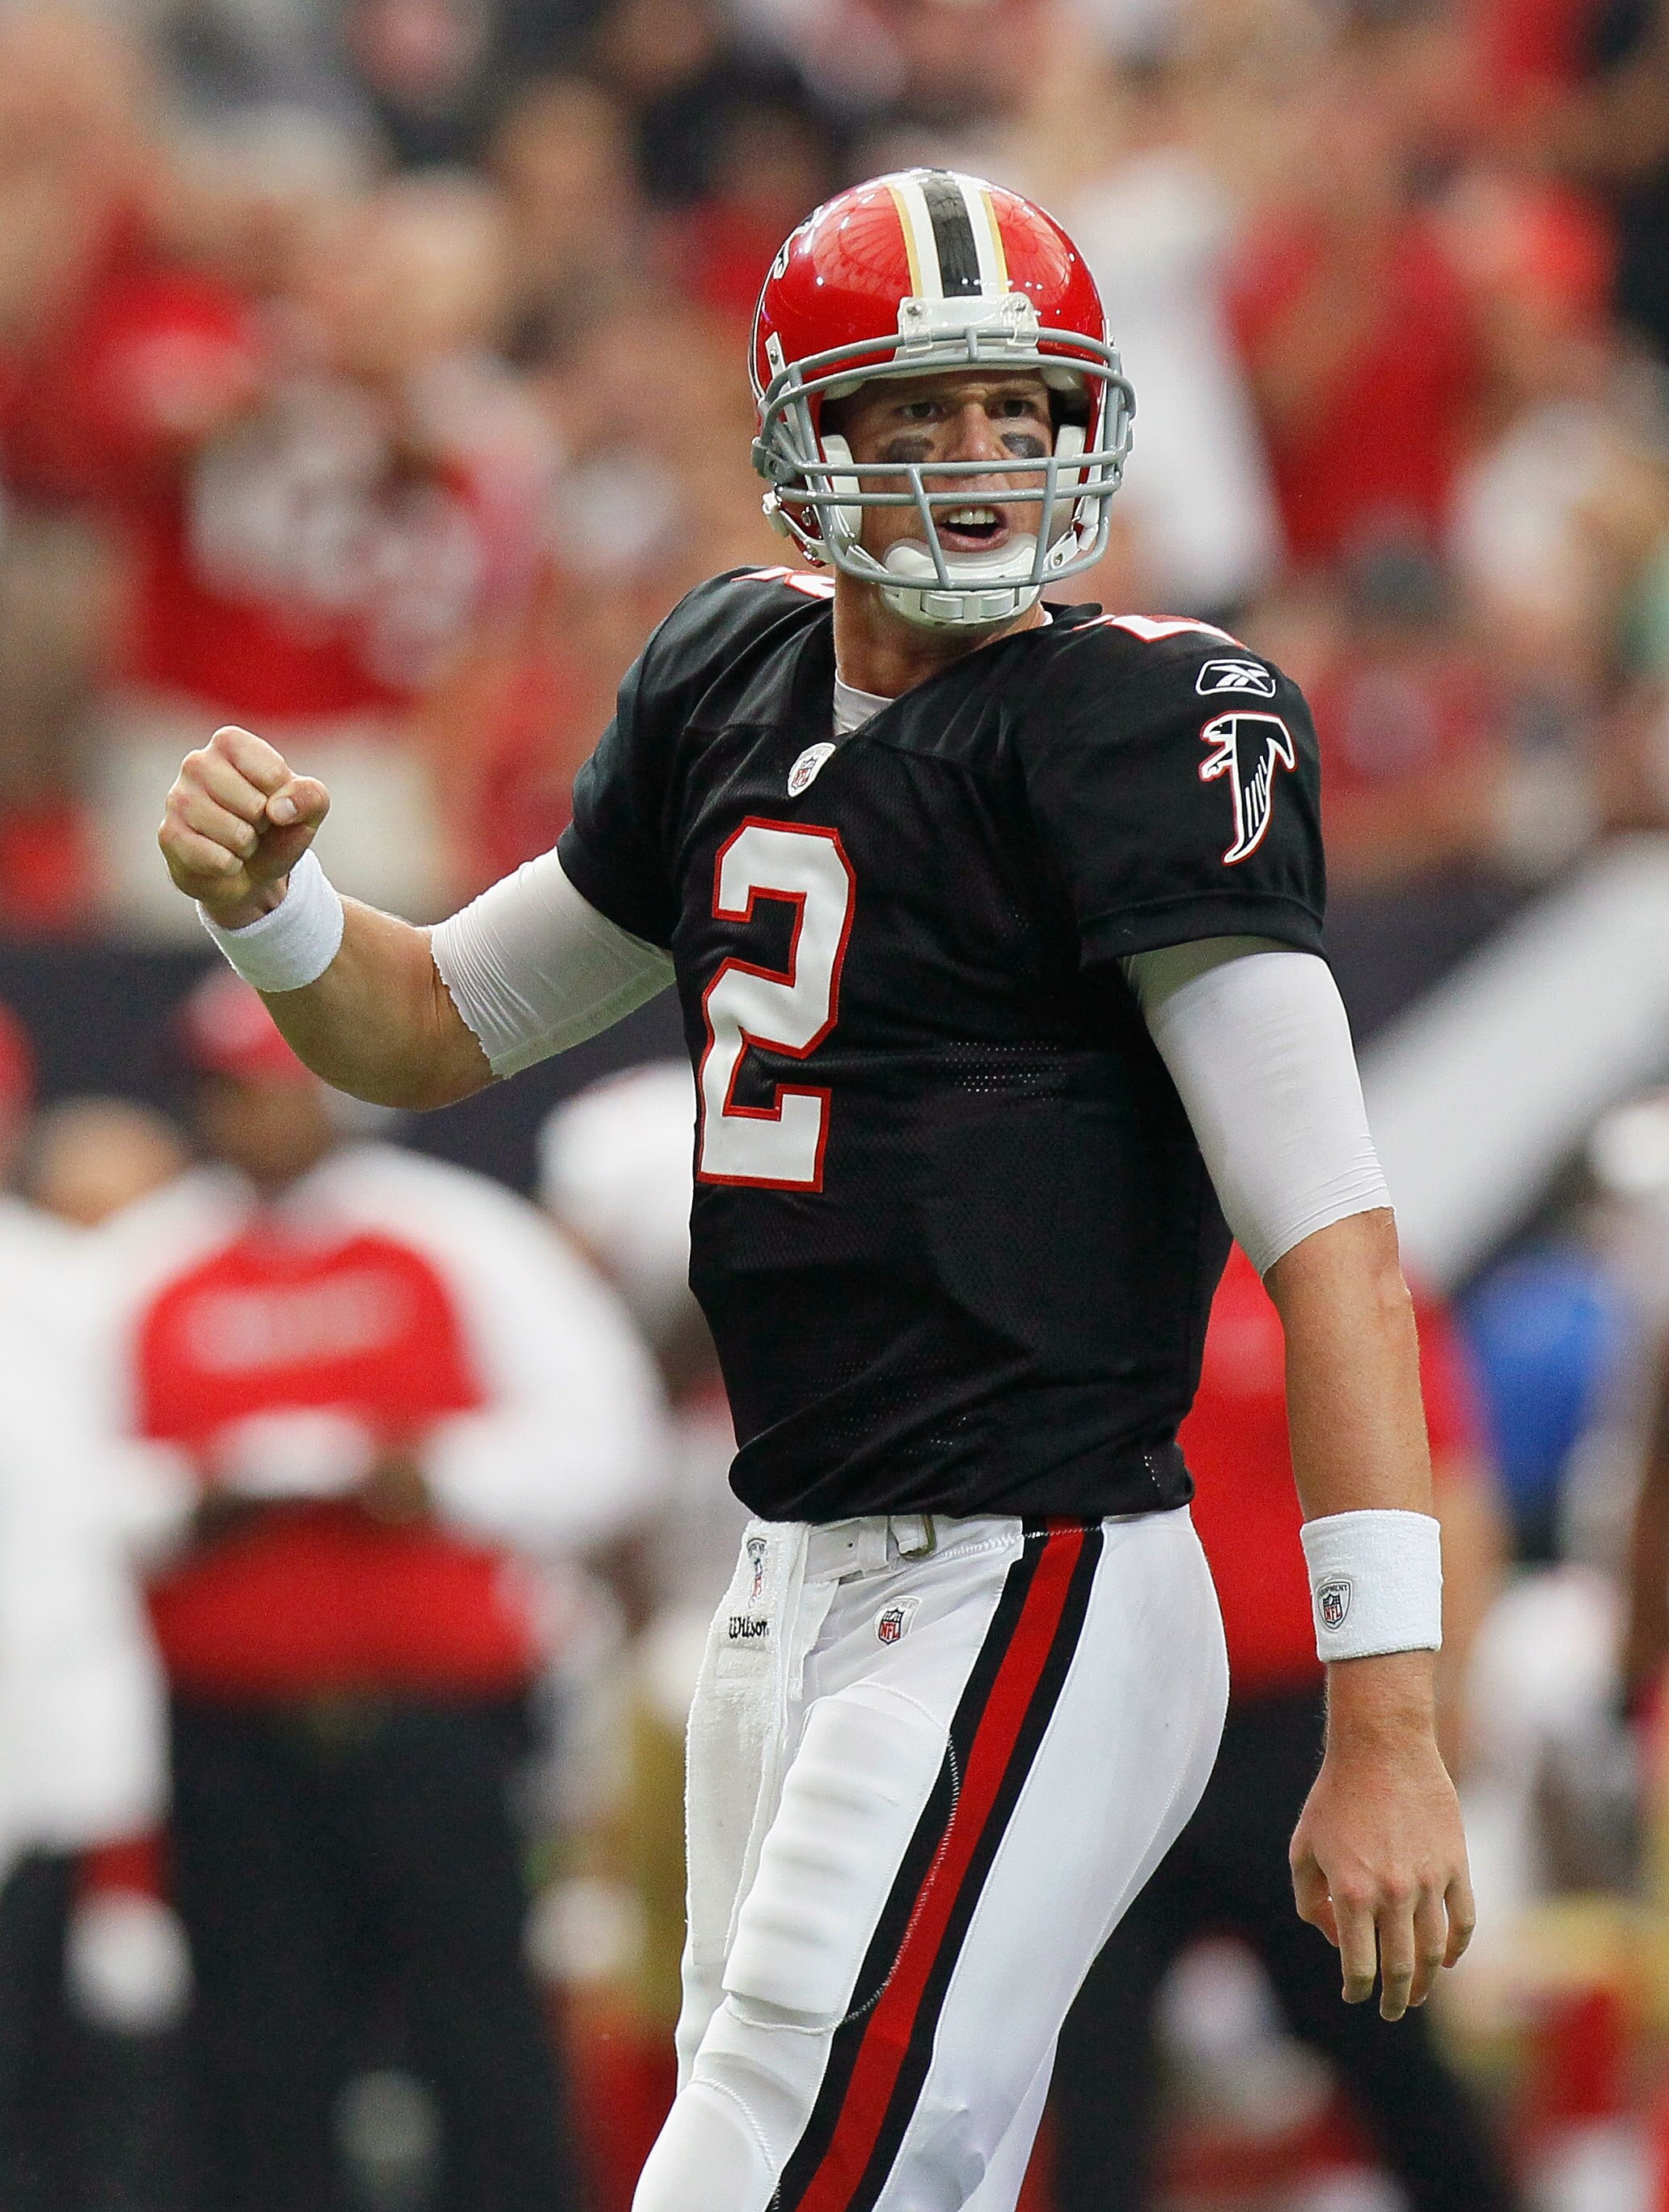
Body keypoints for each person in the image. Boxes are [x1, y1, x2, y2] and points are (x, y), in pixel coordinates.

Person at [158, 169, 1474, 2212]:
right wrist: (276, 907)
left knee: (759, 2172)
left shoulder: (1138, 719)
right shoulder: (723, 681)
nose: (974, 462)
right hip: (783, 1582)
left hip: (1022, 1565)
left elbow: (1335, 1240)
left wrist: (1384, 1719)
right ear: (803, 433)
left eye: (1015, 411)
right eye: (913, 410)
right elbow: (420, 1028)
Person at [92, 967, 666, 2212]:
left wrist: (439, 1477)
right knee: (260, 2056)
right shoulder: (144, 1269)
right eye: (235, 1094)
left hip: (440, 1730)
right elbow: (72, 1494)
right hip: (233, 1742)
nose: (263, 1119)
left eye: (285, 1088)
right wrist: (191, 1505)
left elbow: (606, 1445)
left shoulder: (458, 1238)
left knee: (482, 2037)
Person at [1049, 1244, 1515, 2212]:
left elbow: (1447, 1483)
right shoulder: (1080, 1265)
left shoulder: (1322, 1260)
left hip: (1299, 1738)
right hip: (1116, 1734)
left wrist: (1427, 1723)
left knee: (1392, 2051)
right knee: (1087, 2084)